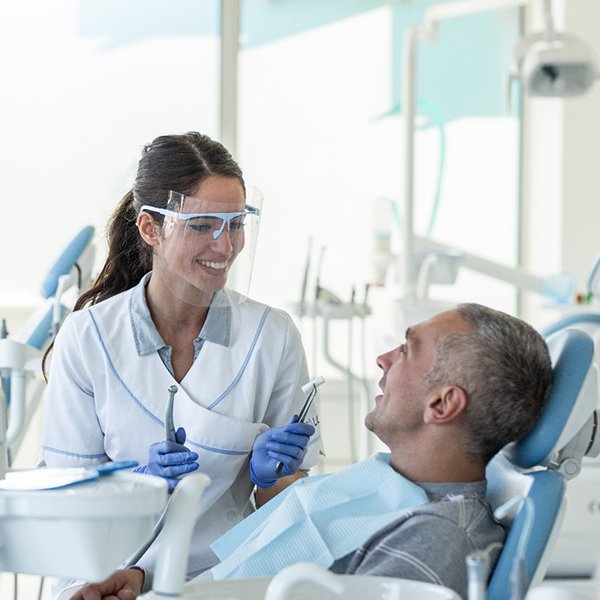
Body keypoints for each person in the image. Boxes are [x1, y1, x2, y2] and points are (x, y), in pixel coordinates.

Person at [70, 302, 553, 600]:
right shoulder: (391, 489)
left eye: (407, 349)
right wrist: (150, 586)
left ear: (443, 403)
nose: (383, 359)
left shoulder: (436, 539)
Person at [39, 132, 322, 598]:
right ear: (150, 228)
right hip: (107, 575)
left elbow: (284, 514)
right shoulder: (89, 338)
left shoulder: (271, 337)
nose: (225, 246)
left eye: (235, 223)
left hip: (223, 578)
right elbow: (66, 507)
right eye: (203, 225)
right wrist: (133, 488)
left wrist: (273, 477)